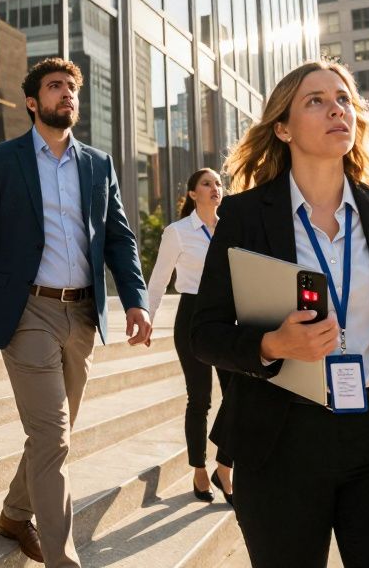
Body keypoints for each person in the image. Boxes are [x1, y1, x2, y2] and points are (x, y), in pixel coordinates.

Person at [191, 60, 369, 567]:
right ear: (283, 127)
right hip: (281, 441)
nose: (335, 108)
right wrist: (271, 345)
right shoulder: (247, 215)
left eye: (343, 99)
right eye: (314, 100)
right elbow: (202, 332)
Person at [0, 57, 152, 567]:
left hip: (83, 316)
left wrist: (135, 300)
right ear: (31, 101)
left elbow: (119, 239)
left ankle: (15, 513)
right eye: (55, 86)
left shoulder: (97, 164)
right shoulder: (0, 162)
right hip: (27, 313)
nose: (67, 94)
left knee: (54, 435)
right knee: (52, 436)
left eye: (72, 88)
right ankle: (64, 559)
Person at [145, 168, 234, 505]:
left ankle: (224, 465)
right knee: (200, 398)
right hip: (193, 315)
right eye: (207, 184)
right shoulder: (178, 232)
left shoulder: (230, 229)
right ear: (193, 193)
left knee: (237, 395)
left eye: (218, 183)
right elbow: (158, 280)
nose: (215, 188)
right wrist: (147, 319)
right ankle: (199, 468)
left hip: (229, 316)